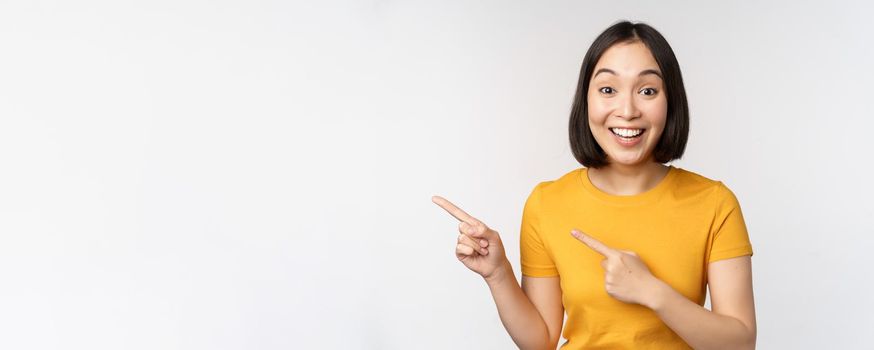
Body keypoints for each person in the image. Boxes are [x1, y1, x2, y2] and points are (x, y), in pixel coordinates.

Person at [432, 20, 756, 349]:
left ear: (670, 100)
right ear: (586, 100)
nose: (627, 111)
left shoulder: (714, 203)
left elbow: (740, 344)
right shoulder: (547, 203)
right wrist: (498, 274)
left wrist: (652, 292)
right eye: (607, 90)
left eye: (647, 91)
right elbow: (540, 341)